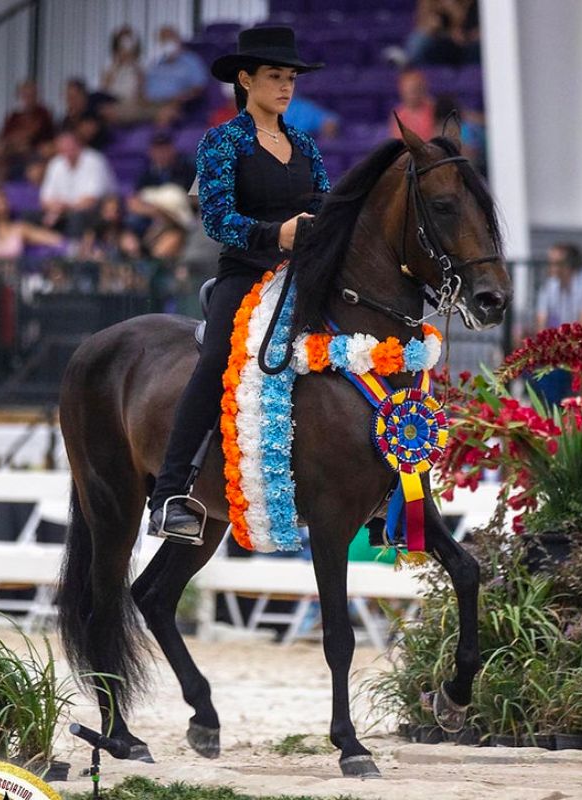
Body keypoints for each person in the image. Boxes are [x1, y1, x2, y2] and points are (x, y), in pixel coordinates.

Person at [147, 26, 330, 540]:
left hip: (303, 275)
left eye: (291, 77)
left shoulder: (305, 144)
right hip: (246, 274)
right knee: (216, 362)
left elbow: (324, 203)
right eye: (275, 76)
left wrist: (320, 230)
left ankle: (380, 491)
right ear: (246, 80)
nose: (286, 86)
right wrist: (278, 234)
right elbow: (218, 220)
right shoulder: (221, 142)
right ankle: (170, 494)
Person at [532, 243, 582, 406]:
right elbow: (540, 327)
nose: (551, 267)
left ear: (569, 265)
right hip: (558, 350)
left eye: (556, 263)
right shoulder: (549, 287)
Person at [0, 186, 64, 292]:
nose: (0, 206)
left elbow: (52, 238)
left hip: (10, 280)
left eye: (2, 201)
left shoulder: (20, 228)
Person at [0, 80, 55, 183]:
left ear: (37, 95)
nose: (28, 98)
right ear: (20, 96)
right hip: (11, 150)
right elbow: (3, 136)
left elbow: (29, 135)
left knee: (1, 150)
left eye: (31, 95)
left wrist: (11, 140)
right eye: (25, 95)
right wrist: (8, 141)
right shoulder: (14, 116)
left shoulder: (43, 113)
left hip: (33, 150)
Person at [39, 129, 118, 238]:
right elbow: (45, 199)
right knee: (31, 216)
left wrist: (64, 209)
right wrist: (56, 209)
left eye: (70, 146)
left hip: (98, 211)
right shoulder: (56, 163)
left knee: (77, 217)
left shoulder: (95, 160)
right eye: (63, 147)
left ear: (79, 144)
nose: (67, 150)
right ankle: (51, 250)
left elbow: (91, 200)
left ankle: (74, 252)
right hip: (63, 211)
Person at [144, 26, 209, 116]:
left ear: (178, 40)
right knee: (120, 113)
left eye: (169, 38)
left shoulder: (191, 60)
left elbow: (198, 88)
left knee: (164, 114)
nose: (167, 43)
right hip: (149, 104)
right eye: (163, 40)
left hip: (175, 105)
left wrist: (180, 98)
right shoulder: (157, 63)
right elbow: (145, 87)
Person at [388, 69, 435, 142]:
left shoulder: (434, 109)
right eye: (409, 90)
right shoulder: (398, 114)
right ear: (402, 91)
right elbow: (398, 142)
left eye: (415, 89)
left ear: (423, 89)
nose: (412, 94)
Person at [101, 26, 145, 104]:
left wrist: (132, 61)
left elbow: (142, 90)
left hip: (131, 105)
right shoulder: (109, 67)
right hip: (113, 104)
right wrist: (118, 63)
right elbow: (104, 89)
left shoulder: (140, 67)